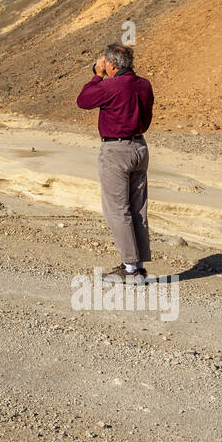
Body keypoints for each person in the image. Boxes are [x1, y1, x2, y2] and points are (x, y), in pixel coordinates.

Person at [76, 43, 154, 283]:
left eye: (104, 64)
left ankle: (130, 270)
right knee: (137, 209)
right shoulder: (144, 85)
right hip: (140, 148)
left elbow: (83, 100)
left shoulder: (110, 85)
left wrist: (95, 76)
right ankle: (137, 266)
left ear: (111, 64)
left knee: (117, 211)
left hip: (116, 150)